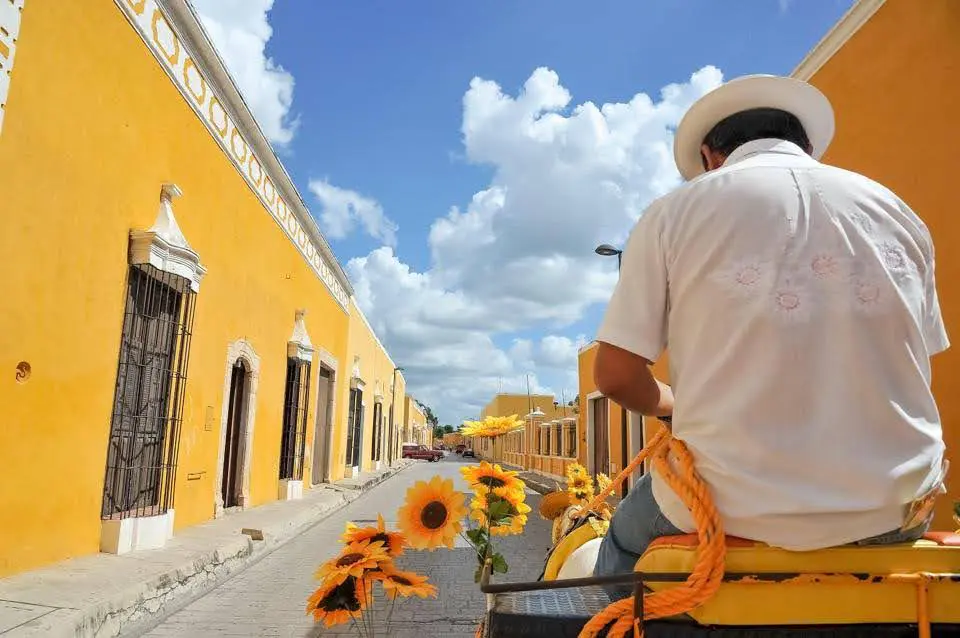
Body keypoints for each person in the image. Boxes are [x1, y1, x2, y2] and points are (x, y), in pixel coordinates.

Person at [592, 74, 949, 598]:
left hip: (726, 505)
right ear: (807, 146)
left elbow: (617, 376)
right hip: (898, 508)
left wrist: (671, 403)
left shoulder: (674, 211)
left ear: (712, 156)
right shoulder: (899, 212)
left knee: (620, 548)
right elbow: (919, 356)